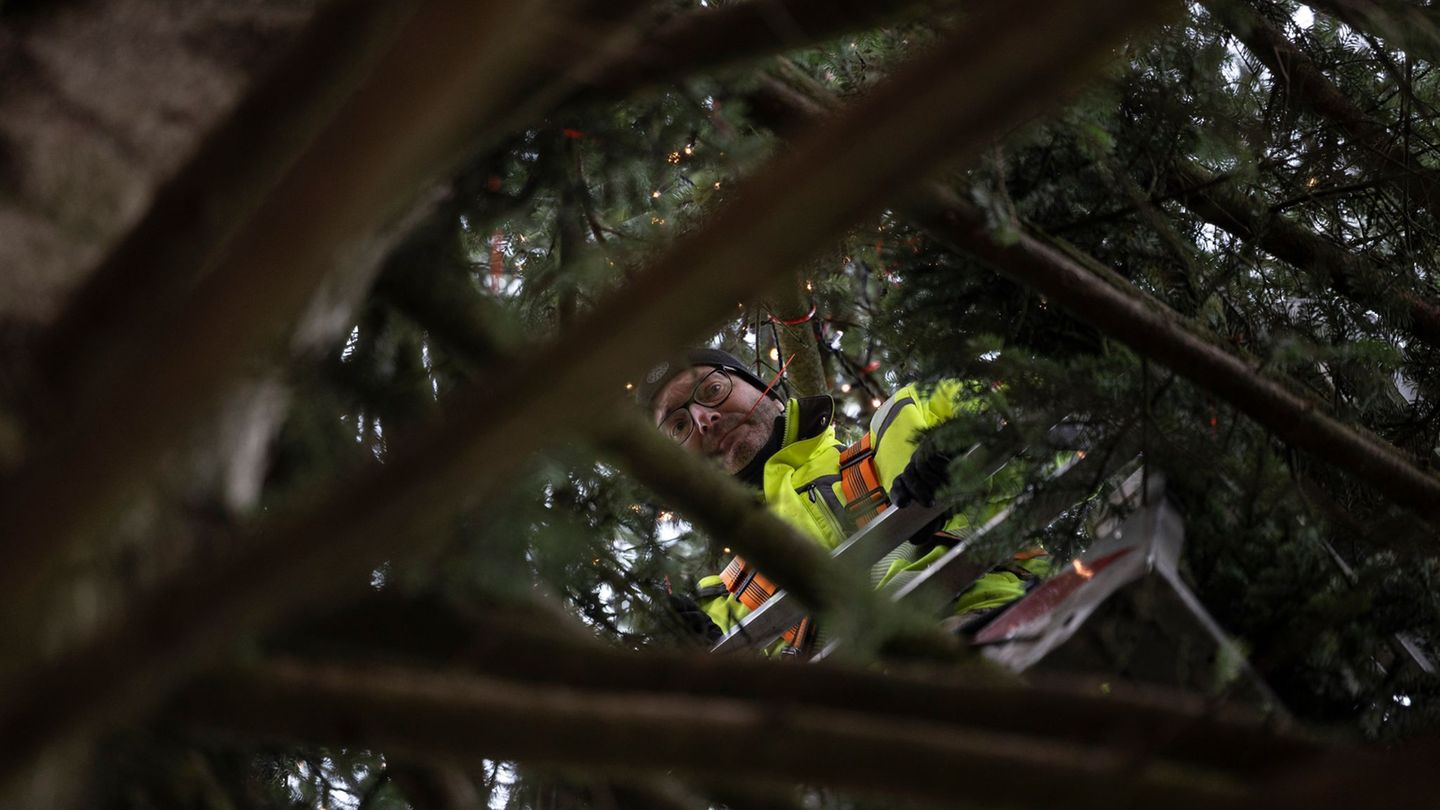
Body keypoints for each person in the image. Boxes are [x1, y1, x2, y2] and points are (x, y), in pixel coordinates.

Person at [639, 349, 1050, 654]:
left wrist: (967, 454)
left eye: (712, 390)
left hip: (1000, 633)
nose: (703, 419)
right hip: (858, 736)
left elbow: (1059, 417)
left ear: (768, 388)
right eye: (678, 426)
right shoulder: (729, 602)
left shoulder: (907, 419)